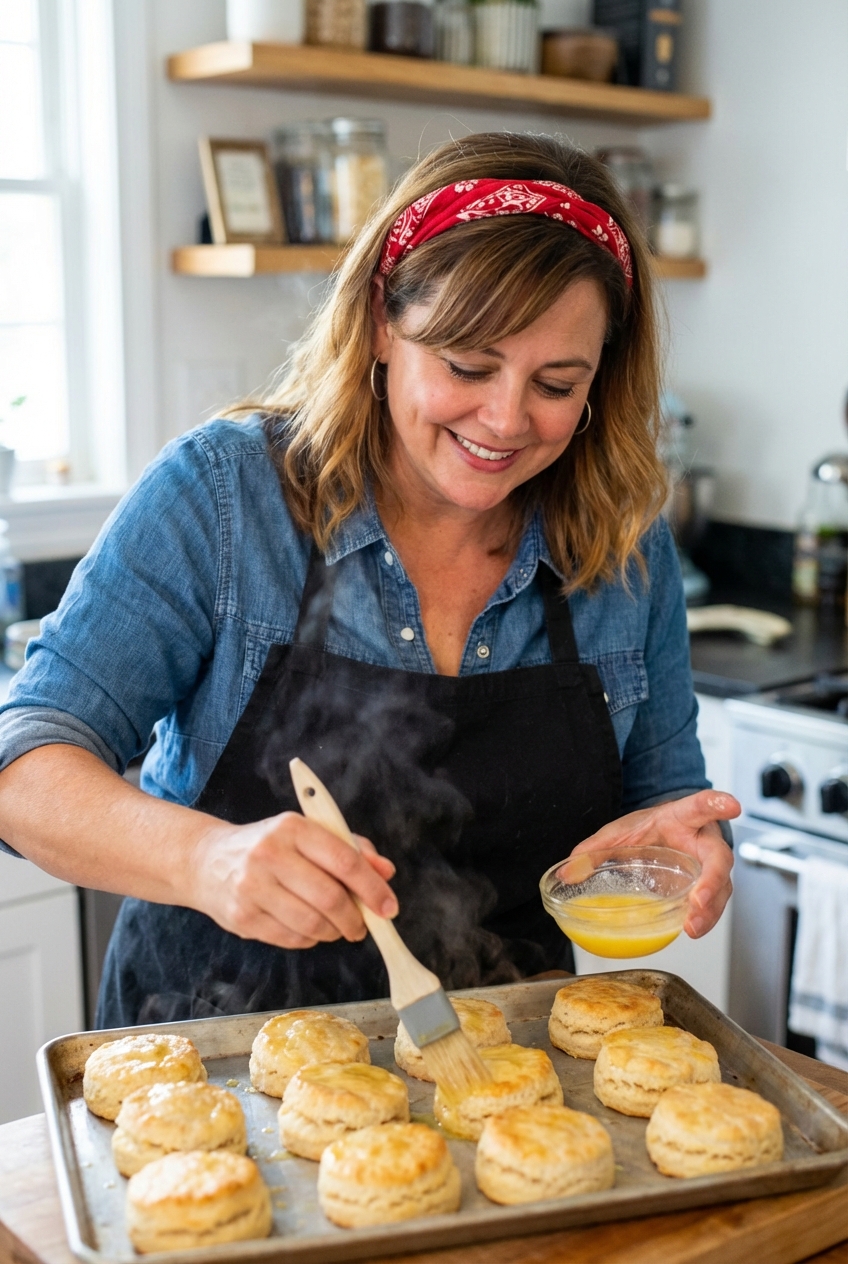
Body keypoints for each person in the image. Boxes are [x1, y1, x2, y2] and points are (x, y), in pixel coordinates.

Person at [0, 132, 736, 1027]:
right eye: (467, 365)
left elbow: (664, 798)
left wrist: (678, 847)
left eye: (556, 381)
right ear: (384, 323)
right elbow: (26, 764)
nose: (504, 420)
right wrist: (205, 860)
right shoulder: (224, 497)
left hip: (506, 1084)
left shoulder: (627, 548)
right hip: (214, 1069)